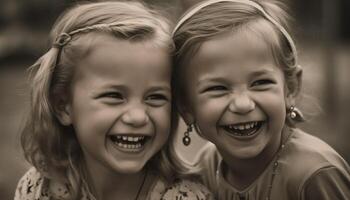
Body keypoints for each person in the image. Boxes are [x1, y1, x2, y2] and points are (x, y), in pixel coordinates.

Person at [15, 2, 213, 200]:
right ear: (63, 106)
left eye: (155, 97)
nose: (137, 117)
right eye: (114, 96)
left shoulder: (186, 196)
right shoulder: (40, 188)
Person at [172, 0, 350, 199]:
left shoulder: (314, 174)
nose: (243, 104)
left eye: (260, 83)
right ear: (186, 107)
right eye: (218, 88)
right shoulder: (206, 166)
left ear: (290, 88)